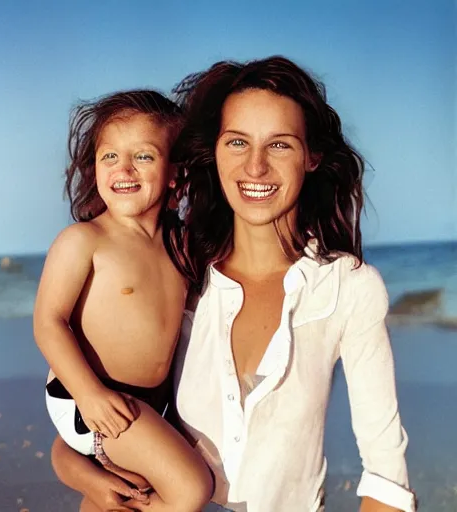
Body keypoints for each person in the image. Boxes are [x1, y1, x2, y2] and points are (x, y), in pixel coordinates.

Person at [50, 57, 417, 512]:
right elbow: (103, 420)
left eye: (279, 145)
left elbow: (385, 478)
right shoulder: (183, 275)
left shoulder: (347, 286)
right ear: (213, 152)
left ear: (312, 156)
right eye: (237, 142)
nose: (256, 166)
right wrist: (72, 464)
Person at [33, 89, 213, 512]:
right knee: (190, 490)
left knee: (124, 490)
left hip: (151, 402)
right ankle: (75, 460)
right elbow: (48, 321)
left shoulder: (182, 245)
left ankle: (84, 476)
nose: (123, 168)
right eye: (109, 156)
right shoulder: (85, 241)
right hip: (88, 395)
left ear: (176, 174)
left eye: (144, 156)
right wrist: (90, 394)